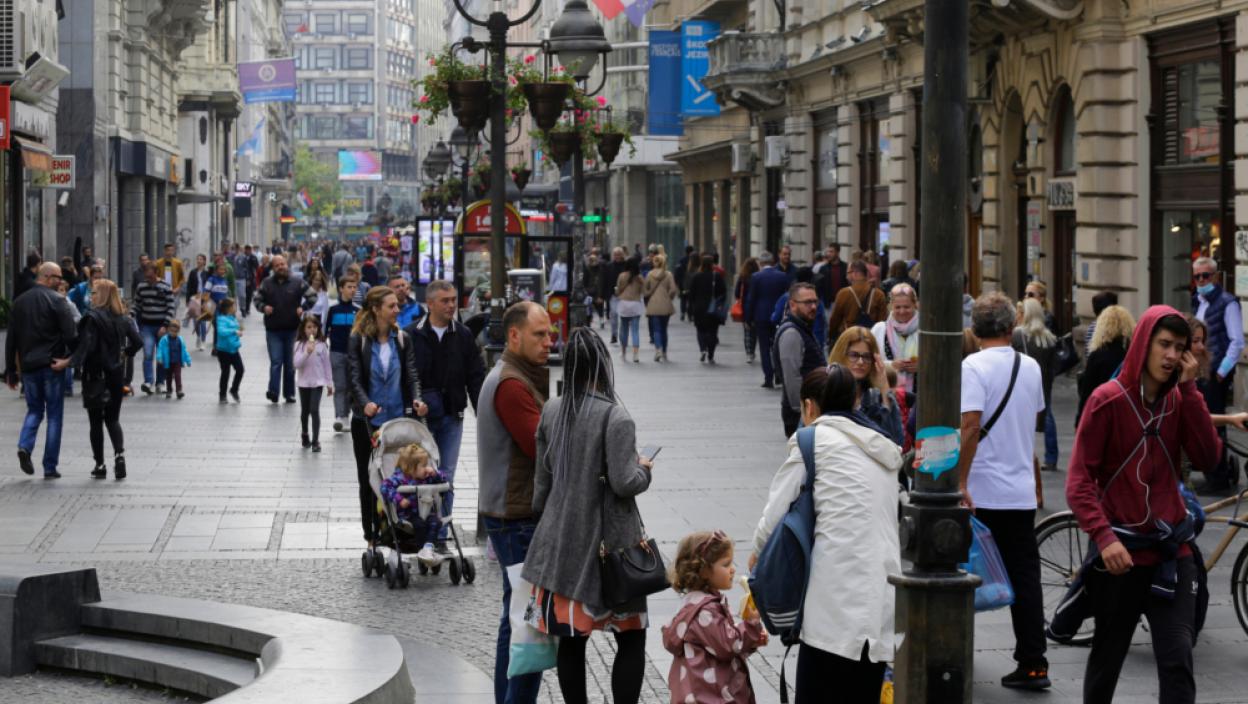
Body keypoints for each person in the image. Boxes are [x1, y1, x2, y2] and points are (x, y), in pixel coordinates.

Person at [1066, 307, 1219, 704]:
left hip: (1172, 552)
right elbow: (1079, 480)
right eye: (1164, 344)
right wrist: (1103, 537)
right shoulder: (1107, 400)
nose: (1171, 356)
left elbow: (1208, 458)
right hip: (1122, 553)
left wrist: (1190, 390)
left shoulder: (1180, 399)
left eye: (1180, 348)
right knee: (1107, 660)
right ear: (1143, 344)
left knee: (1177, 660)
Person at [751, 364, 901, 702]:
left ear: (809, 406)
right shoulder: (880, 446)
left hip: (834, 603)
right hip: (882, 598)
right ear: (854, 402)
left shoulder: (811, 439)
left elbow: (773, 515)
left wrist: (757, 557)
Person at [523, 328, 652, 704]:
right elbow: (625, 482)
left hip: (563, 543)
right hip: (612, 548)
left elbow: (541, 484)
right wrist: (644, 468)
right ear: (602, 367)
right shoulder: (616, 418)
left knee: (570, 638)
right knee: (631, 636)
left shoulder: (552, 409)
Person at [956, 291, 1050, 690]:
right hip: (1019, 491)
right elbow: (1031, 421)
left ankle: (954, 652)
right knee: (1026, 578)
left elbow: (971, 426)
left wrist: (959, 481)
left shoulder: (972, 366)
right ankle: (1034, 662)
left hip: (982, 490)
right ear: (1010, 328)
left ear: (975, 330)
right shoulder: (1029, 367)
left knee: (958, 574)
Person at [476, 301, 552, 704]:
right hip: (516, 515)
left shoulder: (516, 376)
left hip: (510, 512)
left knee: (518, 620)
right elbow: (542, 447)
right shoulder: (512, 383)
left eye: (551, 333)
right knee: (531, 626)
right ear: (514, 336)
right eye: (539, 334)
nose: (548, 342)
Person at [348, 286, 427, 561]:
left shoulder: (402, 339)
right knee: (368, 479)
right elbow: (354, 377)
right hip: (367, 421)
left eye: (397, 305)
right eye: (391, 306)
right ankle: (371, 535)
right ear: (376, 309)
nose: (397, 310)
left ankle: (395, 532)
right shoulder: (359, 340)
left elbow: (412, 374)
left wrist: (416, 399)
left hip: (396, 419)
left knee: (398, 477)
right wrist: (364, 402)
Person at [407, 280, 486, 552]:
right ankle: (418, 530)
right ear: (430, 303)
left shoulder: (463, 335)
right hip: (421, 419)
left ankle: (440, 533)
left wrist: (481, 411)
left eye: (453, 299)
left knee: (445, 476)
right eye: (445, 300)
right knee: (418, 474)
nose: (452, 305)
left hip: (452, 415)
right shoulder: (412, 334)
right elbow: (408, 376)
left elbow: (475, 376)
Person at [663, 530, 767, 704]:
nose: (733, 569)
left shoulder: (703, 602)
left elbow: (722, 645)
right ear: (703, 571)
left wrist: (752, 640)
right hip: (710, 696)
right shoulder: (705, 611)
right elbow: (729, 645)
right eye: (726, 565)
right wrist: (751, 625)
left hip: (707, 691)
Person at [5, 262, 77, 478]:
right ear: (46, 276)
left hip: (28, 367)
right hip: (52, 366)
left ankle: (24, 446)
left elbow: (12, 339)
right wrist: (71, 358)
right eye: (57, 277)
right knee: (54, 416)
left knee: (34, 410)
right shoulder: (58, 301)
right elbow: (71, 335)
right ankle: (50, 466)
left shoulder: (19, 302)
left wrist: (11, 370)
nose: (61, 281)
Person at [71, 279, 142, 479]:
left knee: (95, 422)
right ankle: (119, 456)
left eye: (94, 292)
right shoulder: (124, 319)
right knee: (113, 418)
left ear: (101, 295)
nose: (91, 296)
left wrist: (70, 362)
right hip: (115, 374)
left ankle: (100, 464)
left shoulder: (92, 318)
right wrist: (125, 352)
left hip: (95, 375)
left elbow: (86, 346)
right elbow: (138, 341)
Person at [1191, 256, 1243, 493]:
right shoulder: (1198, 301)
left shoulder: (1227, 302)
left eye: (1205, 275)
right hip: (1200, 370)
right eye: (1197, 276)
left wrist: (1221, 372)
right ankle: (1210, 471)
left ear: (1215, 276)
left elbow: (1237, 341)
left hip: (1214, 373)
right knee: (1202, 422)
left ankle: (1219, 477)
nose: (1201, 280)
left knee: (1214, 423)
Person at [254, 255, 316, 404]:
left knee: (290, 364)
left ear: (286, 265)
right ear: (273, 268)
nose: (280, 267)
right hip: (273, 330)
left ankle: (289, 394)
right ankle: (273, 392)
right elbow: (257, 300)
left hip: (292, 330)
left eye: (282, 264)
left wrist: (304, 308)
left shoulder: (297, 282)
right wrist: (264, 308)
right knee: (276, 362)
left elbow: (312, 296)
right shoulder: (267, 283)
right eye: (277, 265)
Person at [827, 327, 904, 446]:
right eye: (854, 355)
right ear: (841, 355)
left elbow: (896, 443)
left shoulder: (876, 398)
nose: (860, 362)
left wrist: (884, 389)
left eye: (866, 357)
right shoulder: (824, 391)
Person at [1011, 297, 1059, 472]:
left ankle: (1022, 456)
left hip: (1021, 383)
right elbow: (1054, 365)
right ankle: (1051, 457)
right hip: (1044, 383)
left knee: (1021, 422)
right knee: (1047, 416)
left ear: (1026, 314)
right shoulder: (1050, 338)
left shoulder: (1017, 335)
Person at [379, 443, 447, 564]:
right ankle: (423, 548)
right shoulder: (399, 478)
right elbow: (385, 487)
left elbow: (443, 479)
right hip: (408, 515)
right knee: (420, 525)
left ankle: (428, 548)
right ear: (411, 467)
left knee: (436, 522)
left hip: (426, 512)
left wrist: (435, 474)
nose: (427, 468)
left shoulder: (426, 477)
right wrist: (399, 499)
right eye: (424, 465)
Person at [775, 283, 825, 437]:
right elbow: (792, 376)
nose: (813, 307)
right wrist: (803, 412)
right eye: (807, 302)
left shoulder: (802, 328)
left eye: (815, 301)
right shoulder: (792, 333)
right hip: (803, 415)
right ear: (792, 305)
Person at [1076, 305, 1134, 428]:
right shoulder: (1130, 356)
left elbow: (1087, 392)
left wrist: (1079, 420)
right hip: (1124, 415)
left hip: (1101, 413)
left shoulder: (1097, 356)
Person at [746, 252, 791, 387]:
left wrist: (748, 319)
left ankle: (768, 378)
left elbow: (751, 299)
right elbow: (787, 295)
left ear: (760, 263)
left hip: (761, 317)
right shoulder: (782, 276)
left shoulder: (756, 277)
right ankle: (779, 375)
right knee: (777, 346)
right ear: (773, 262)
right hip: (778, 316)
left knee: (764, 348)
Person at [132, 263, 177, 395]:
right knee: (148, 353)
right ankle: (148, 381)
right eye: (145, 271)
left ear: (155, 272)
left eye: (149, 271)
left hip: (162, 326)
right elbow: (137, 304)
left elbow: (171, 307)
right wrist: (130, 315)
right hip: (147, 326)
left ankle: (160, 382)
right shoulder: (142, 287)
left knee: (161, 355)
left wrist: (165, 325)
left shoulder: (165, 287)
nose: (147, 273)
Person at [295, 315, 334, 453]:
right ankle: (305, 433)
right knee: (305, 411)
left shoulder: (322, 345)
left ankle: (316, 440)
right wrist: (307, 352)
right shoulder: (299, 345)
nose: (312, 330)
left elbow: (327, 365)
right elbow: (296, 364)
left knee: (314, 409)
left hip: (318, 382)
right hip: (304, 383)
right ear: (304, 329)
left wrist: (329, 383)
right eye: (309, 327)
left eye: (315, 327)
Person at [871, 283, 919, 395]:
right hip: (886, 394)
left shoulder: (926, 331)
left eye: (906, 307)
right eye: (898, 307)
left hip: (921, 398)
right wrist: (891, 365)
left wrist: (923, 366)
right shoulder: (879, 329)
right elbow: (868, 361)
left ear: (915, 305)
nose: (902, 311)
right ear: (891, 306)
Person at [327, 276, 360, 432]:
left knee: (351, 386)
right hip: (336, 352)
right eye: (349, 287)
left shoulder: (358, 311)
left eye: (354, 287)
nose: (352, 290)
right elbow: (325, 330)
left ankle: (348, 414)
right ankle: (340, 417)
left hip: (354, 354)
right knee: (340, 385)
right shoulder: (333, 310)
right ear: (341, 289)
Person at [828, 260, 887, 342]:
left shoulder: (844, 293)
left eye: (848, 273)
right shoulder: (879, 294)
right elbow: (883, 321)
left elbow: (835, 320)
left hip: (849, 338)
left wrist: (831, 336)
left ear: (855, 273)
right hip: (871, 339)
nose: (846, 276)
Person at [689, 254, 727, 364]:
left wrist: (691, 309)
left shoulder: (696, 277)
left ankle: (702, 350)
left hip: (699, 308)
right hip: (713, 309)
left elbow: (692, 295)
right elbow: (723, 292)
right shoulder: (717, 276)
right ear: (712, 264)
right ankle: (711, 355)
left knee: (700, 330)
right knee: (713, 332)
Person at [643, 253, 679, 362]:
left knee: (656, 329)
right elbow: (673, 290)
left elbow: (645, 291)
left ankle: (658, 349)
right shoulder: (668, 274)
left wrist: (649, 294)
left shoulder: (649, 274)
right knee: (664, 329)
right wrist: (669, 298)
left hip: (653, 305)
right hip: (665, 305)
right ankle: (664, 352)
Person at [615, 258, 645, 363]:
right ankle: (635, 354)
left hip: (624, 304)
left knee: (624, 329)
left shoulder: (622, 276)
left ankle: (623, 352)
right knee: (635, 330)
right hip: (636, 304)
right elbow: (642, 291)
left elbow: (618, 289)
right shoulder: (640, 278)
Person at [215, 298, 244, 403]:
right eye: (233, 306)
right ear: (228, 308)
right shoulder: (221, 319)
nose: (235, 308)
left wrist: (239, 331)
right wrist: (235, 331)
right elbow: (222, 332)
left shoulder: (233, 318)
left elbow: (236, 329)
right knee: (225, 372)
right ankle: (222, 395)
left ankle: (234, 389)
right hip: (223, 350)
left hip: (234, 349)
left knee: (240, 370)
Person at [155, 320, 192, 400]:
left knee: (178, 376)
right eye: (171, 331)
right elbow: (160, 349)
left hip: (177, 362)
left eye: (175, 331)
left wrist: (188, 360)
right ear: (168, 330)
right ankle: (169, 390)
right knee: (168, 377)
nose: (173, 333)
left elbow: (184, 351)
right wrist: (159, 358)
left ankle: (179, 390)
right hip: (168, 362)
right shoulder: (164, 340)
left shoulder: (180, 340)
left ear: (178, 332)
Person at [735, 258, 761, 363]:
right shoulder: (758, 277)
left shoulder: (742, 278)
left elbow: (737, 293)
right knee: (755, 331)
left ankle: (749, 353)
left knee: (747, 331)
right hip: (757, 307)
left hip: (745, 308)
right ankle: (754, 351)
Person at [604, 247, 628, 344]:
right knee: (613, 315)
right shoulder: (609, 266)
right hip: (613, 295)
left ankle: (622, 335)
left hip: (624, 295)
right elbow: (605, 280)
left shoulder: (626, 266)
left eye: (619, 254)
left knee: (623, 316)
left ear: (622, 255)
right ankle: (614, 334)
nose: (617, 256)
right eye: (615, 255)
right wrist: (604, 294)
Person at [815, 244, 848, 309]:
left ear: (837, 253)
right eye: (828, 252)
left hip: (844, 303)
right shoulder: (823, 268)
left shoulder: (846, 267)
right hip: (828, 304)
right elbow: (818, 286)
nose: (828, 254)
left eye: (831, 251)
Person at [674, 245, 695, 321]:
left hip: (683, 282)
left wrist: (677, 281)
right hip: (692, 283)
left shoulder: (681, 260)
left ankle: (683, 313)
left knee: (683, 298)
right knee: (690, 299)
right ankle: (690, 315)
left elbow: (677, 271)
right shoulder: (694, 260)